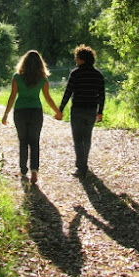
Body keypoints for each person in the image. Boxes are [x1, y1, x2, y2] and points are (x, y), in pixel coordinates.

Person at [2, 50, 62, 184]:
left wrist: (5, 115)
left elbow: (12, 97)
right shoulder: (43, 79)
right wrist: (57, 111)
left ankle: (23, 170)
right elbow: (48, 98)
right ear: (40, 64)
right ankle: (34, 171)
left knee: (23, 141)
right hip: (36, 112)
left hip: (20, 112)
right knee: (34, 142)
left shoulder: (17, 77)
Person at [59, 44, 105, 178]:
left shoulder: (75, 73)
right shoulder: (98, 75)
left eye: (76, 57)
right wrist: (100, 111)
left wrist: (60, 109)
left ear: (82, 59)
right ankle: (84, 164)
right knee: (87, 137)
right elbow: (101, 95)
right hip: (91, 110)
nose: (75, 60)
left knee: (78, 139)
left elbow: (68, 92)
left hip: (78, 109)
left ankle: (81, 167)